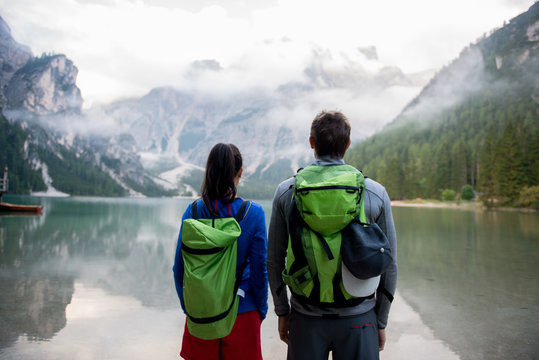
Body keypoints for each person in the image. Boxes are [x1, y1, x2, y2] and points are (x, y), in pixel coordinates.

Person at [267, 111, 397, 360]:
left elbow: (274, 259)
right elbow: (389, 265)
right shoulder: (375, 193)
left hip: (305, 319)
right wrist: (380, 321)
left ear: (312, 143)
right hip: (360, 318)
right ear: (348, 145)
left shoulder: (286, 192)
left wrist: (282, 312)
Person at [173, 143, 268, 360]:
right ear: (240, 173)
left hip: (202, 314)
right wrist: (260, 310)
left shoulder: (194, 211)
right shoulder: (253, 214)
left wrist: (189, 309)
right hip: (243, 312)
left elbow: (179, 269)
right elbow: (259, 273)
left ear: (209, 171)